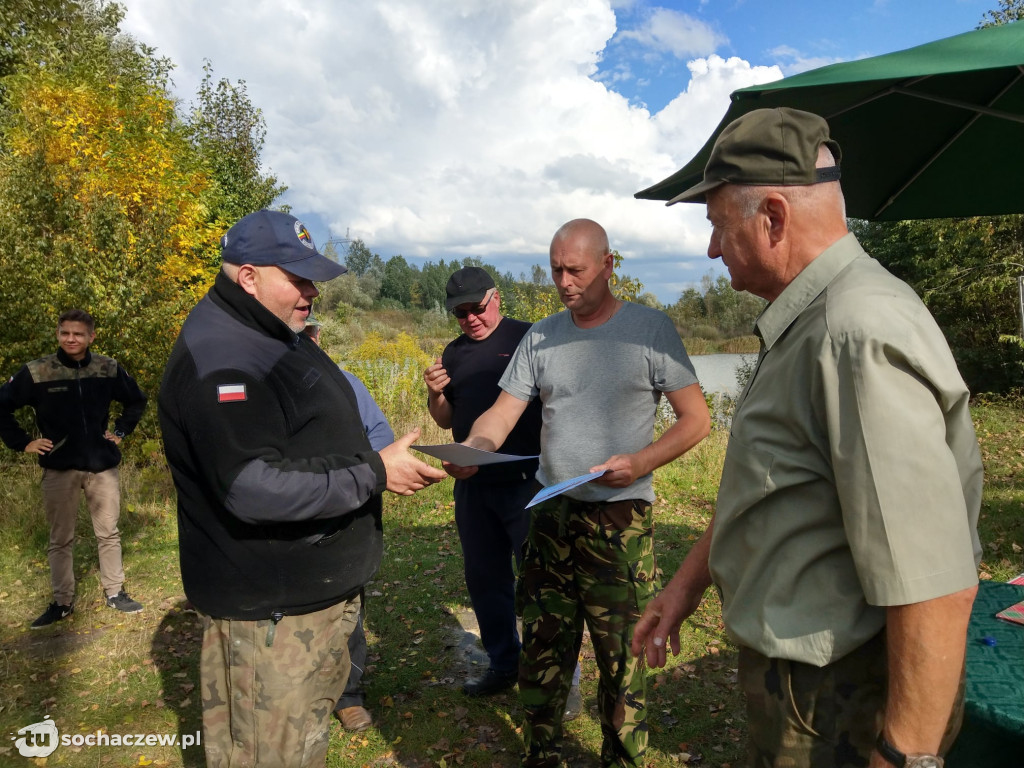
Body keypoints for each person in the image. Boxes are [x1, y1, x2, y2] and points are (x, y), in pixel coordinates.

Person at [632, 108, 983, 768]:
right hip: (812, 694)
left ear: (771, 217)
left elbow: (933, 583)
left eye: (716, 226)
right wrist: (684, 588)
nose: (711, 249)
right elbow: (778, 488)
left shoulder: (853, 332)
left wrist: (905, 756)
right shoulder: (813, 321)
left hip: (842, 704)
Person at [158, 209, 446, 767]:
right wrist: (374, 473)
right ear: (248, 276)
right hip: (272, 620)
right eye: (298, 277)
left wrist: (378, 460)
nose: (312, 291)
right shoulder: (226, 360)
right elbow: (250, 485)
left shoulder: (268, 329)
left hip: (306, 605)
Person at [455, 220, 711, 767]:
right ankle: (541, 752)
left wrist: (640, 461)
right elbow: (503, 413)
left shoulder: (649, 330)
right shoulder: (542, 335)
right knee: (544, 644)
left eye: (576, 270)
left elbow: (697, 420)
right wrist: (474, 448)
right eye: (555, 270)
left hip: (620, 519)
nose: (564, 282)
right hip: (550, 513)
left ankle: (621, 757)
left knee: (622, 652)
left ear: (608, 265)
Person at [423, 268, 555, 695]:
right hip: (473, 487)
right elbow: (446, 420)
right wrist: (435, 394)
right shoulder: (454, 353)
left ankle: (550, 673)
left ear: (496, 298)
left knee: (540, 580)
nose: (470, 319)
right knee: (485, 579)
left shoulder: (530, 337)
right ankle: (503, 664)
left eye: (476, 308)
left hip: (528, 483)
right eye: (460, 314)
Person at [0, 308, 147, 628]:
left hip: (101, 467)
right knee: (60, 538)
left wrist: (120, 431)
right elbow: (2, 405)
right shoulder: (38, 371)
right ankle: (62, 602)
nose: (71, 338)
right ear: (58, 334)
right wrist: (23, 442)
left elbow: (136, 400)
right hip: (59, 468)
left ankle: (115, 592)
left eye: (78, 334)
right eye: (65, 332)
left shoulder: (108, 367)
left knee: (108, 532)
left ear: (91, 337)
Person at [303, 315, 390, 734]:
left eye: (309, 333)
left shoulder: (349, 384)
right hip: (291, 522)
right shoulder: (265, 388)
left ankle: (349, 695)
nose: (304, 340)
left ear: (318, 336)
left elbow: (382, 438)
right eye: (296, 334)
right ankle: (301, 696)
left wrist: (355, 475)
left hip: (348, 517)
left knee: (348, 611)